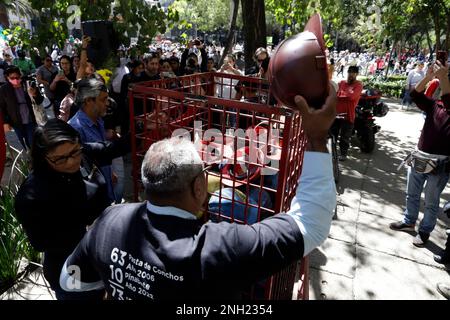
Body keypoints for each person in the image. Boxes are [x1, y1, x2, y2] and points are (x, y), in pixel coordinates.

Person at [59, 85, 337, 300]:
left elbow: (68, 281)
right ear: (200, 185)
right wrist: (316, 137)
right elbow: (310, 224)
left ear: (147, 182)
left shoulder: (109, 220)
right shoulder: (221, 248)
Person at [15, 118, 129, 300]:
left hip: (104, 262)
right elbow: (41, 242)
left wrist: (145, 127)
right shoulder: (31, 196)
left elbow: (111, 149)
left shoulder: (82, 156)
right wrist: (88, 230)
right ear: (44, 157)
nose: (71, 162)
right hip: (71, 272)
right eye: (60, 159)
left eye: (75, 152)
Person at [390, 61, 450, 247]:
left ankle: (424, 232)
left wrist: (443, 77)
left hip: (440, 164)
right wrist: (428, 75)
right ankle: (409, 221)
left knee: (431, 202)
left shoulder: (448, 103)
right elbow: (414, 94)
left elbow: (449, 99)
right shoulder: (435, 105)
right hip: (420, 157)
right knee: (412, 194)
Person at [68, 77, 116, 203]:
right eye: (103, 99)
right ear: (89, 101)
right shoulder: (75, 129)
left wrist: (109, 172)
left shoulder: (98, 119)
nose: (107, 103)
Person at [0, 66, 42, 149]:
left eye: (17, 77)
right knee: (23, 141)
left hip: (30, 119)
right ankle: (28, 157)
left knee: (32, 141)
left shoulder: (28, 84)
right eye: (12, 78)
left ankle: (35, 156)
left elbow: (39, 100)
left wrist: (34, 94)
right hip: (16, 121)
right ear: (8, 78)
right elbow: (2, 107)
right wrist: (5, 122)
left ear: (20, 76)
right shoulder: (4, 89)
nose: (15, 79)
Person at [331, 65, 363, 161]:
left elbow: (351, 97)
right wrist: (341, 94)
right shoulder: (341, 83)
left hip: (348, 115)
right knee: (332, 135)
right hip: (336, 114)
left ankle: (343, 154)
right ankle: (332, 152)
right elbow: (333, 92)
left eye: (353, 72)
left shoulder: (358, 85)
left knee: (345, 137)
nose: (351, 74)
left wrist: (339, 95)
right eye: (349, 72)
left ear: (356, 74)